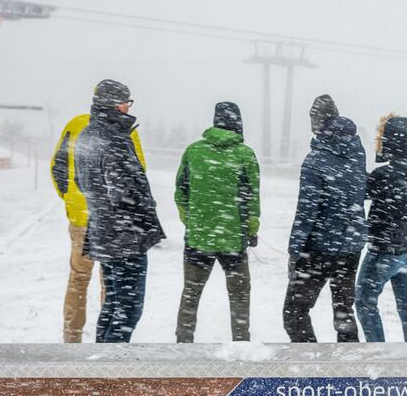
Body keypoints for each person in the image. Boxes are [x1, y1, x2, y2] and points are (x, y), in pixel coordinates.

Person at [72, 79, 165, 343]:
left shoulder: (87, 135)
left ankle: (100, 360)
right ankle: (111, 371)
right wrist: (145, 211)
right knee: (128, 310)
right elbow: (125, 192)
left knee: (113, 304)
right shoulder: (113, 138)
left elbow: (81, 182)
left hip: (103, 231)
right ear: (115, 105)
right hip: (125, 237)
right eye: (126, 102)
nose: (128, 107)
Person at [50, 105, 147, 343]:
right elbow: (139, 173)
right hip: (111, 221)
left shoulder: (77, 124)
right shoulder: (125, 130)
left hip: (82, 217)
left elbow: (57, 166)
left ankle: (71, 339)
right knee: (111, 281)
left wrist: (71, 198)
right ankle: (107, 341)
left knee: (78, 278)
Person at [174, 102, 261, 343]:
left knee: (191, 293)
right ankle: (241, 343)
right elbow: (252, 198)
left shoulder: (193, 151)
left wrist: (191, 220)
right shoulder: (245, 154)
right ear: (238, 124)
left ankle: (183, 344)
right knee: (240, 295)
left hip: (198, 237)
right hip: (233, 239)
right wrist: (251, 230)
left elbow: (181, 192)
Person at [283, 94, 367, 343]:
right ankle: (348, 369)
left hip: (320, 249)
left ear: (322, 120)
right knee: (343, 313)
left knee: (294, 314)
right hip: (351, 246)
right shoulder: (357, 152)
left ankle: (312, 369)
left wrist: (294, 251)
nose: (311, 122)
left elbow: (306, 211)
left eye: (313, 117)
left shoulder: (315, 161)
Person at [355, 115, 407, 342]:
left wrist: (359, 158)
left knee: (364, 301)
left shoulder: (386, 175)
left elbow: (361, 190)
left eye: (384, 138)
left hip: (384, 251)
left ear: (393, 142)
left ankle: (379, 353)